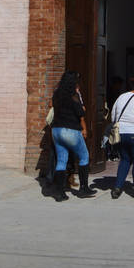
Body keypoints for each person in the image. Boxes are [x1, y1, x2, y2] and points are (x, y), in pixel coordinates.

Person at [48, 70, 96, 201]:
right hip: (71, 130)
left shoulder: (57, 94)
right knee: (84, 156)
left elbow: (52, 106)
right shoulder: (73, 95)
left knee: (61, 160)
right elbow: (81, 112)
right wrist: (82, 108)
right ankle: (83, 189)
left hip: (56, 130)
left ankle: (59, 193)